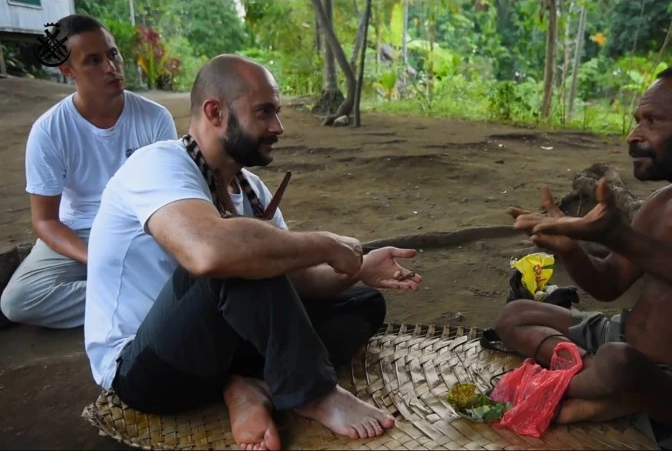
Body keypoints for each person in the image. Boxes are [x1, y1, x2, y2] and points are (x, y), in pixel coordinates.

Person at [84, 54, 423, 450]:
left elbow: (295, 279)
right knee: (239, 258)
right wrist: (327, 244)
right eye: (264, 112)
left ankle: (248, 385)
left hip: (219, 350)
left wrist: (359, 269)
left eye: (276, 112)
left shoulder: (251, 188)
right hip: (148, 369)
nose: (277, 127)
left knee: (362, 304)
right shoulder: (157, 164)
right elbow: (209, 254)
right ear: (215, 112)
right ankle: (313, 393)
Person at [497, 62, 672, 450]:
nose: (633, 135)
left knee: (619, 364)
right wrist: (572, 251)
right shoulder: (661, 203)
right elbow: (609, 284)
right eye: (637, 120)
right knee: (516, 315)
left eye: (652, 121)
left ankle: (580, 388)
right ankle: (594, 383)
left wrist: (622, 237)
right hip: (621, 339)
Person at [0, 14, 178, 329]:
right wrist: (96, 259)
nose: (111, 67)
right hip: (79, 234)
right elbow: (45, 221)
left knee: (192, 262)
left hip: (140, 229)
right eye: (94, 60)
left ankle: (133, 299)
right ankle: (145, 299)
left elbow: (169, 203)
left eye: (113, 54)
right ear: (67, 70)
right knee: (18, 300)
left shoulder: (155, 119)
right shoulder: (49, 131)